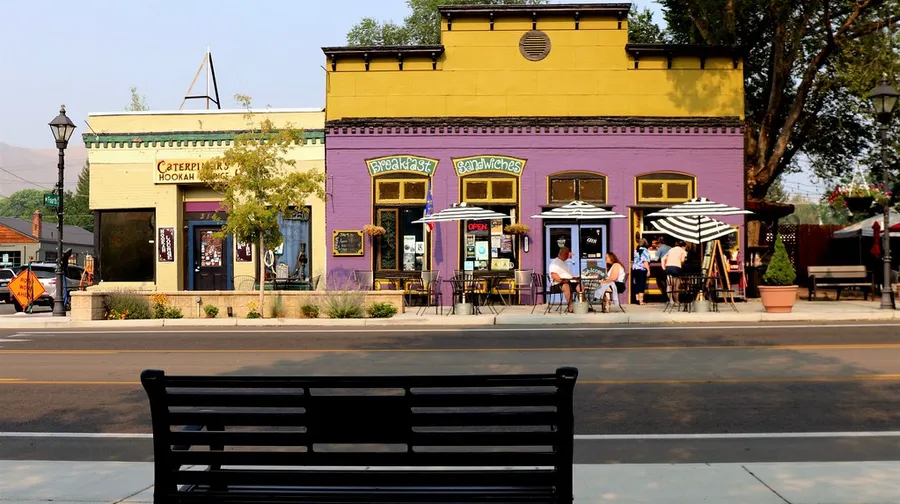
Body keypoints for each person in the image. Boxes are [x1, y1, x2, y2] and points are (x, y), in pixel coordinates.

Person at [549, 247, 581, 312]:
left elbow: (568, 275)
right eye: (566, 254)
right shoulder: (554, 263)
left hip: (567, 282)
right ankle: (570, 306)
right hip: (557, 284)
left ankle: (583, 305)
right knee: (565, 285)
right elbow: (554, 275)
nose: (567, 256)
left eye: (567, 253)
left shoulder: (565, 263)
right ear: (560, 254)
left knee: (579, 286)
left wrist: (574, 278)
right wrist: (563, 280)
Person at [632, 238, 651, 305]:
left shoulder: (636, 250)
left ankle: (637, 299)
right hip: (642, 269)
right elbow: (645, 261)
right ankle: (641, 301)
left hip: (635, 269)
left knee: (636, 284)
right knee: (641, 285)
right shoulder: (645, 251)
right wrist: (648, 270)